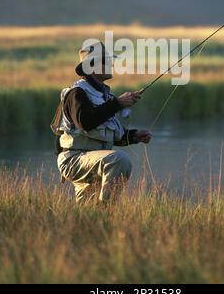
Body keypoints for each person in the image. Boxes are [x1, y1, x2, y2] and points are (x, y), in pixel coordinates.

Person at [51, 40, 152, 204]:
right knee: (120, 160)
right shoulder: (77, 93)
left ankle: (99, 222)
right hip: (75, 159)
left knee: (88, 216)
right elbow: (85, 123)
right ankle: (106, 211)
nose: (111, 64)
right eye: (106, 61)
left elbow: (112, 136)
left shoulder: (105, 97)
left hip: (95, 160)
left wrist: (134, 136)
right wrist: (117, 104)